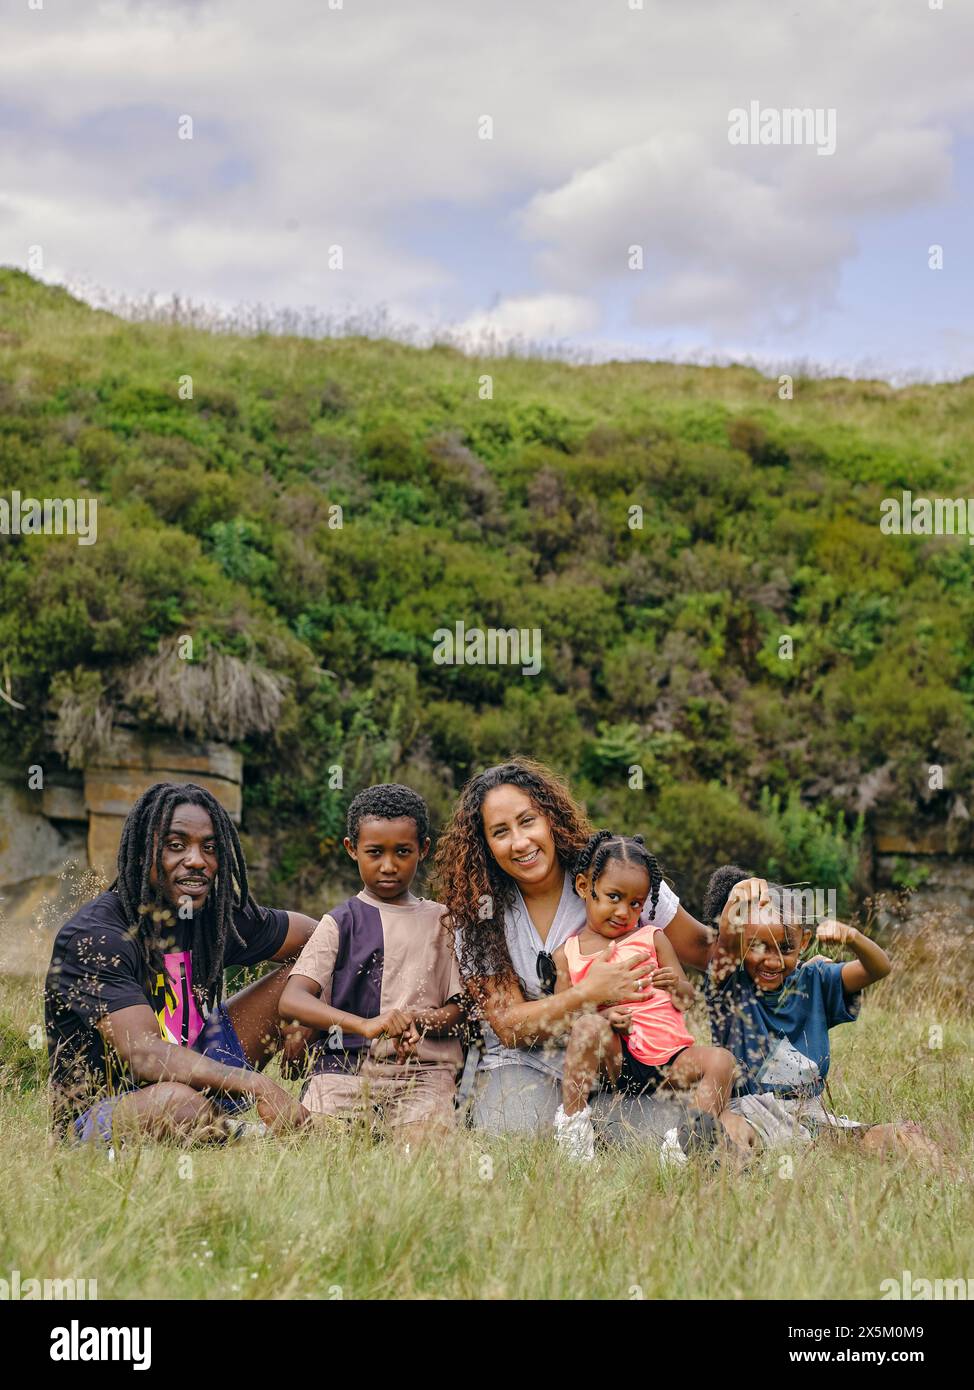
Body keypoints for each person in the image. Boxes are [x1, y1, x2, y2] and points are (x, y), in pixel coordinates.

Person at [432, 756, 742, 1152]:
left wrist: (745, 916)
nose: (521, 842)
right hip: (525, 1063)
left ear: (550, 818)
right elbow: (509, 1027)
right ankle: (587, 1128)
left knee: (663, 1133)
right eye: (500, 832)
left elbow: (705, 950)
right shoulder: (478, 913)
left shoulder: (616, 875)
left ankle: (633, 1128)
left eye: (528, 821)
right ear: (485, 845)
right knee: (519, 1134)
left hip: (624, 1064)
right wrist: (589, 993)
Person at [45, 782, 318, 1147]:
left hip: (197, 1079)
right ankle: (248, 1138)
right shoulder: (97, 936)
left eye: (210, 848)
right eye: (177, 846)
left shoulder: (210, 916)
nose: (196, 860)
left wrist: (305, 1012)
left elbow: (320, 939)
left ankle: (340, 1095)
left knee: (299, 976)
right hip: (104, 1117)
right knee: (179, 1103)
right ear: (144, 853)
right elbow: (144, 1054)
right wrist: (257, 1084)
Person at [701, 866, 941, 1160]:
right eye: (758, 946)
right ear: (740, 942)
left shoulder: (816, 979)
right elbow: (723, 946)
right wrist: (733, 908)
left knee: (895, 1135)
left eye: (785, 948)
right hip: (750, 1111)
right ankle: (737, 1171)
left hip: (810, 1114)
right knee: (730, 1131)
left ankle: (955, 1181)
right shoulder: (730, 988)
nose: (773, 961)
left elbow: (879, 968)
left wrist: (852, 937)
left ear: (803, 942)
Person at [279, 784, 465, 1145]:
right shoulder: (340, 922)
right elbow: (293, 999)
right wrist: (364, 1025)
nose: (389, 866)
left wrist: (417, 1020)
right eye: (375, 852)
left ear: (423, 850)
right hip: (345, 1068)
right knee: (321, 1148)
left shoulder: (443, 922)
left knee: (422, 1153)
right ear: (352, 849)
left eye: (403, 852)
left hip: (423, 1073)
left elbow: (458, 1010)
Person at [551, 830, 741, 1162]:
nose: (624, 911)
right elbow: (564, 1020)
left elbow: (686, 999)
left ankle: (685, 1141)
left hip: (670, 1064)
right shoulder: (568, 954)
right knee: (587, 1030)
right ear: (584, 887)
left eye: (635, 903)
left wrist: (675, 985)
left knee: (721, 1061)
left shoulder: (653, 938)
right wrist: (604, 1017)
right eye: (614, 897)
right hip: (617, 1062)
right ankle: (574, 1134)